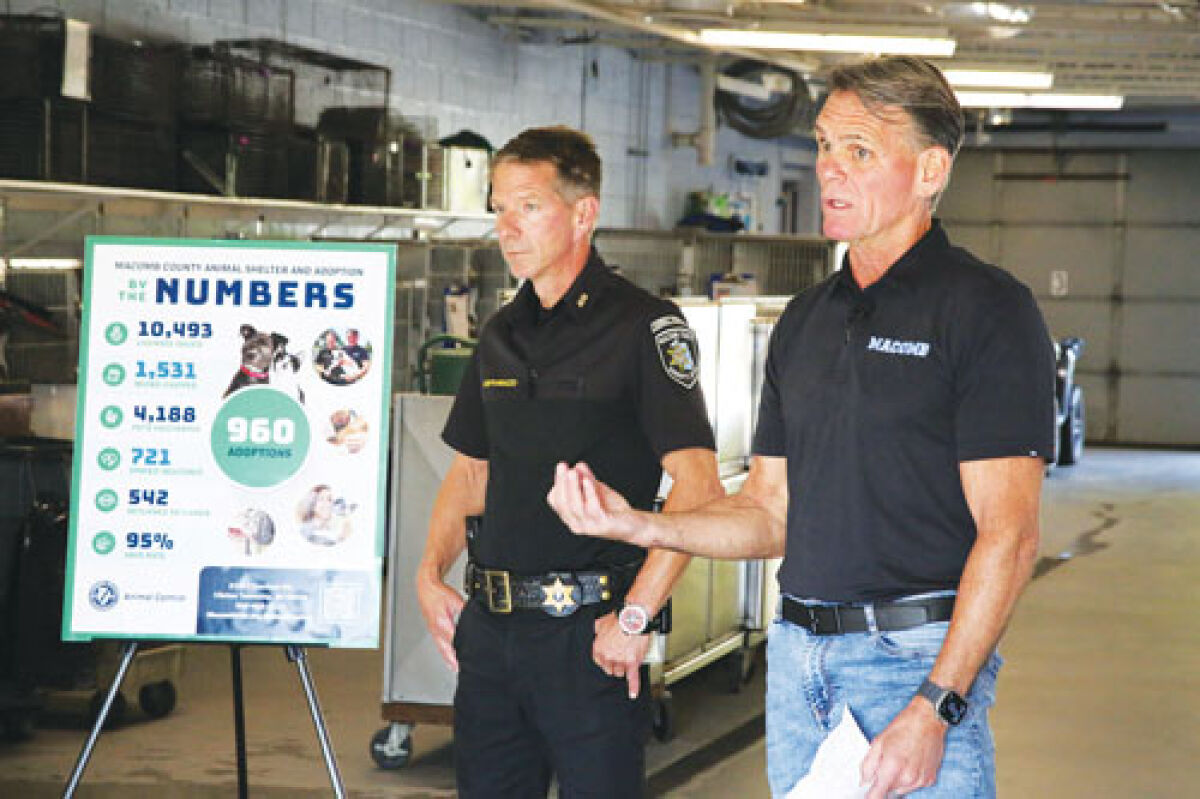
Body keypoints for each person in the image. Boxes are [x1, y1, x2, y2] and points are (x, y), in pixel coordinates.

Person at [548, 57, 1054, 799]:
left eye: (859, 151)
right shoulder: (806, 320)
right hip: (797, 663)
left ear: (930, 169)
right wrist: (636, 526)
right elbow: (767, 511)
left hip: (910, 661)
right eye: (823, 146)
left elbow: (1009, 536)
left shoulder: (986, 311)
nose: (828, 170)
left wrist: (938, 703)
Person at [416, 125, 722, 798]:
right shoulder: (497, 336)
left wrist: (638, 614)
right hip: (491, 637)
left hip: (590, 639)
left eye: (527, 205)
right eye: (497, 207)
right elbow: (471, 474)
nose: (506, 226)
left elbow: (698, 489)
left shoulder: (645, 327)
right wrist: (427, 572)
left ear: (584, 212)